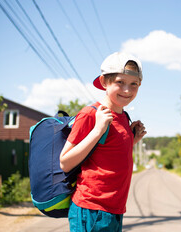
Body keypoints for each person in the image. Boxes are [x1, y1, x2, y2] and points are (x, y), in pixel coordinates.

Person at [60, 51, 147, 231]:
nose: (127, 90)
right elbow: (65, 162)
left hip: (115, 210)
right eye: (119, 82)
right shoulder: (91, 114)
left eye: (134, 84)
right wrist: (98, 130)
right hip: (91, 210)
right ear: (103, 82)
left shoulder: (124, 117)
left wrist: (133, 140)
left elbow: (108, 156)